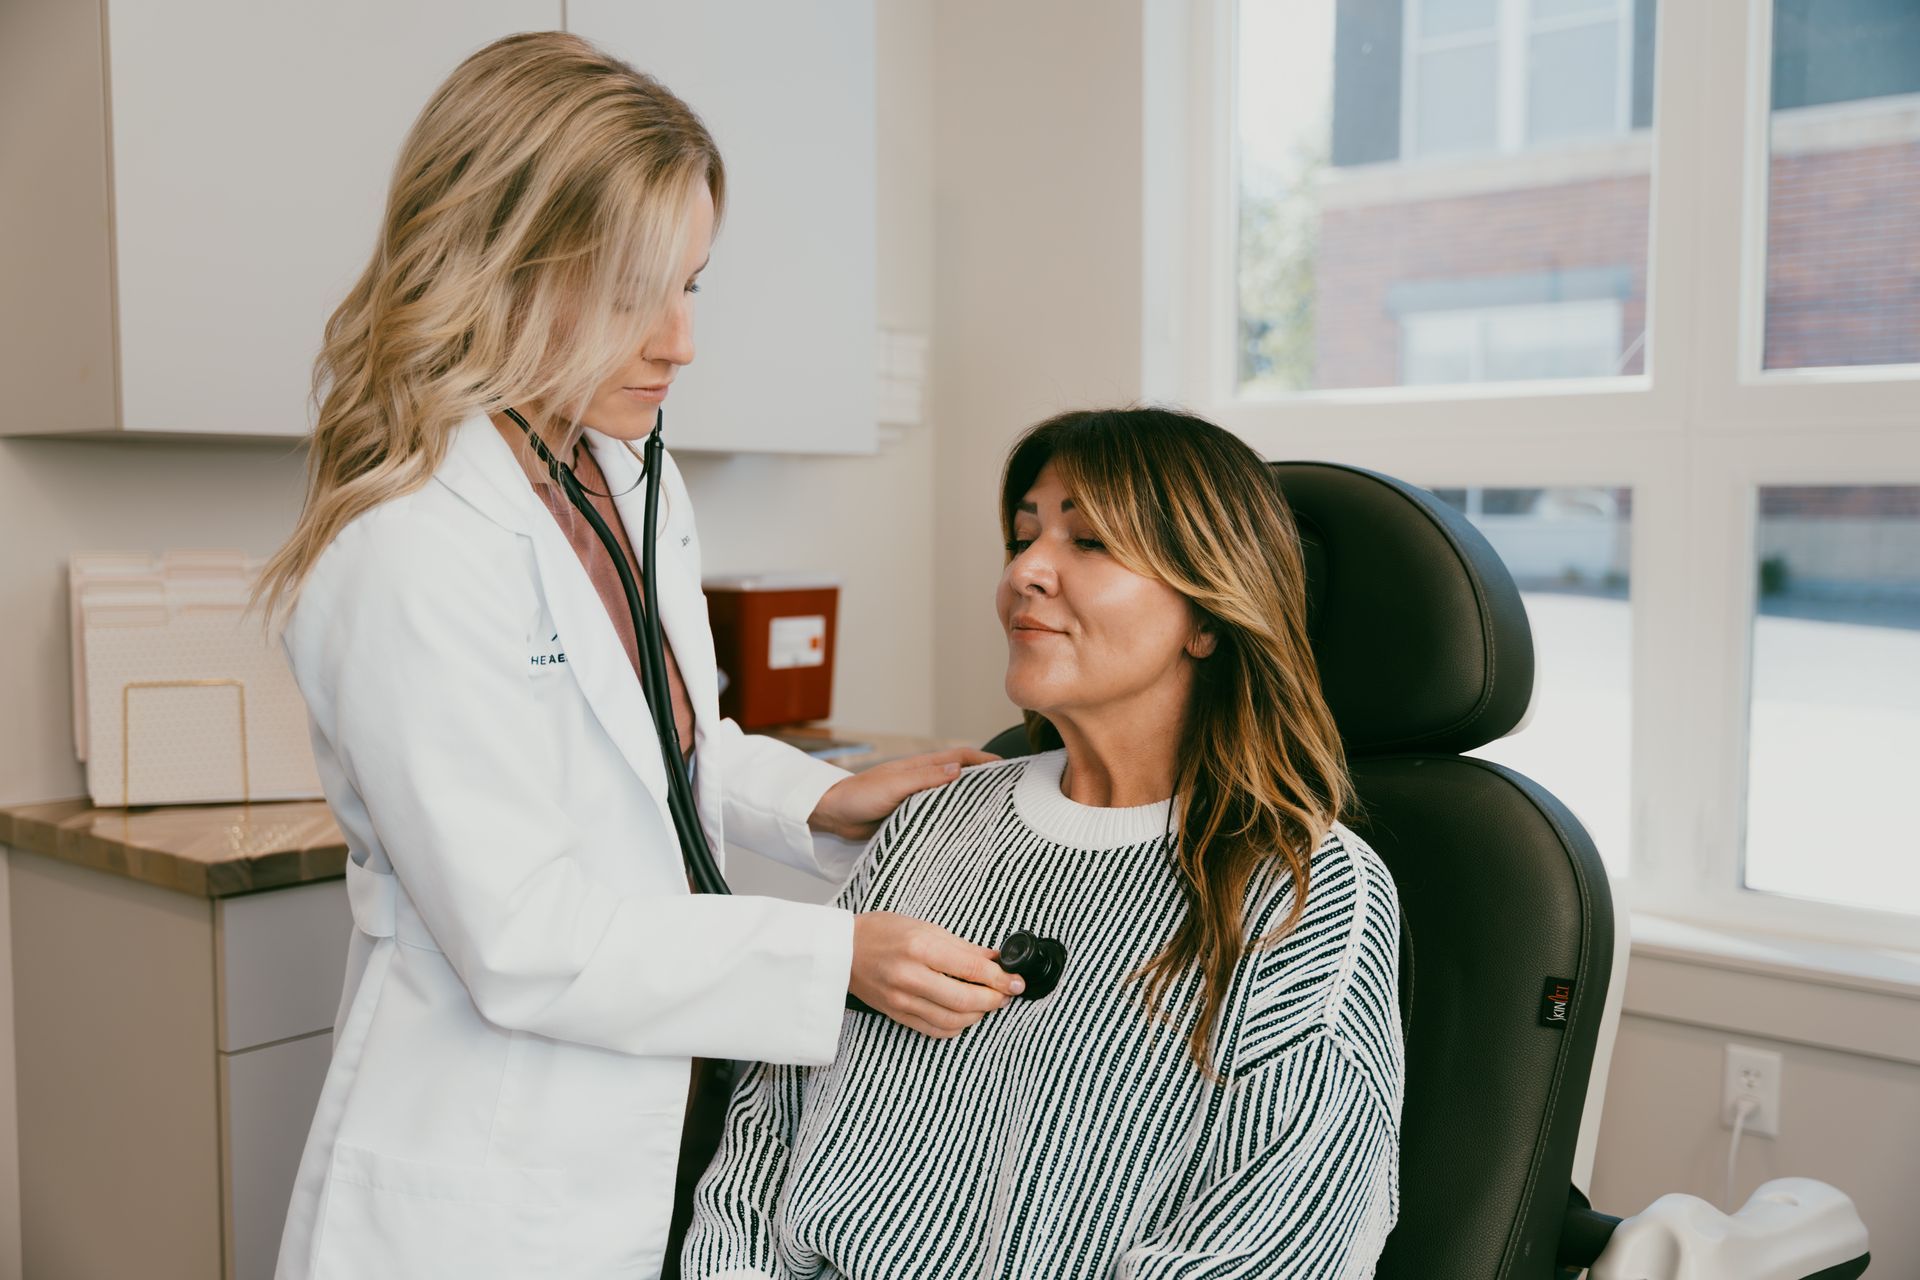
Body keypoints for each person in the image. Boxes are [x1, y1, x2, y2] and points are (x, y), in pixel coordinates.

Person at [255, 32, 1018, 1279]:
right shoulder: (406, 549)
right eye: (632, 293)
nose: (681, 342)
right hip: (490, 1177)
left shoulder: (616, 475)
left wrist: (815, 795)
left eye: (694, 284)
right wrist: (838, 957)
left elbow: (641, 756)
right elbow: (525, 935)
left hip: (657, 1134)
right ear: (496, 265)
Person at [685, 407, 1405, 1278]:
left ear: (1207, 618)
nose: (1026, 571)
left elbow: (1272, 1249)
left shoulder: (1304, 888)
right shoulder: (934, 821)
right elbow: (766, 1140)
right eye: (1024, 536)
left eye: (1090, 542)